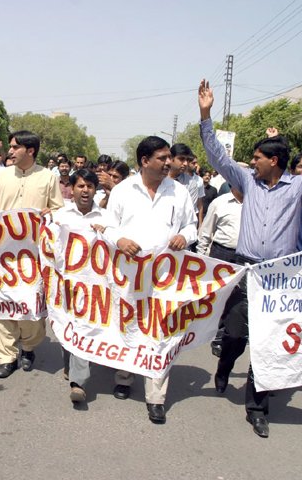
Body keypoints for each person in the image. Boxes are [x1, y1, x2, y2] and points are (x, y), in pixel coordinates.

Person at [197, 78, 302, 439]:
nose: (251, 162)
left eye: (257, 157)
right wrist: (205, 115)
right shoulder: (246, 180)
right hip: (246, 271)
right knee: (237, 335)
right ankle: (225, 366)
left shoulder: (301, 187)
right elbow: (217, 157)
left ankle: (257, 407)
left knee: (268, 341)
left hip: (281, 277)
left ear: (274, 161)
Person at [104, 136, 197, 424]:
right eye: (162, 157)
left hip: (166, 276)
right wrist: (119, 239)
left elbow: (192, 224)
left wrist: (186, 236)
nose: (169, 162)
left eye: (169, 157)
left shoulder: (179, 192)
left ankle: (156, 396)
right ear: (145, 161)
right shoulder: (122, 190)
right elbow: (107, 227)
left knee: (162, 331)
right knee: (128, 324)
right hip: (129, 275)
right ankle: (124, 375)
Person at [0, 130, 64, 378]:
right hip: (1, 254)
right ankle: (6, 357)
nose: (10, 151)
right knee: (2, 303)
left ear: (31, 151)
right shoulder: (1, 176)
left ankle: (28, 347)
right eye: (10, 147)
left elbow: (59, 210)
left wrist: (50, 213)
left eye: (15, 147)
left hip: (32, 256)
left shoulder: (48, 178)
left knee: (30, 305)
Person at [53, 169, 114, 404]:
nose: (85, 190)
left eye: (90, 186)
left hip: (95, 286)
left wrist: (107, 233)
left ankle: (79, 383)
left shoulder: (106, 218)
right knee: (67, 324)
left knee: (84, 326)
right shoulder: (60, 216)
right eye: (80, 186)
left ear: (95, 190)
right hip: (66, 283)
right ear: (73, 189)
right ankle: (68, 361)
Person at [196, 187, 243, 358]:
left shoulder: (256, 203)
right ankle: (213, 333)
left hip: (244, 257)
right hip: (221, 254)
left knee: (237, 299)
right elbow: (206, 232)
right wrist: (201, 258)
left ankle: (224, 335)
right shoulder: (220, 203)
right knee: (219, 296)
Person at [171, 144, 205, 228]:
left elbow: (190, 210)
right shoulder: (158, 179)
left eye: (187, 160)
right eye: (181, 159)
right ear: (171, 158)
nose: (185, 163)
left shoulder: (191, 183)